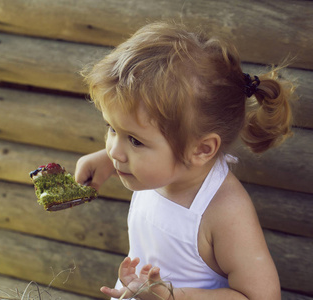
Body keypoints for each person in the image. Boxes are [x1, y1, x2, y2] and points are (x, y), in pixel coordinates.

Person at [75, 21, 295, 300]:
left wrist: (172, 296)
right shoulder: (162, 168)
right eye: (112, 129)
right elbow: (139, 154)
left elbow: (260, 297)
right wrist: (104, 162)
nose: (115, 151)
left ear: (202, 150)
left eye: (134, 140)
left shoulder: (225, 212)